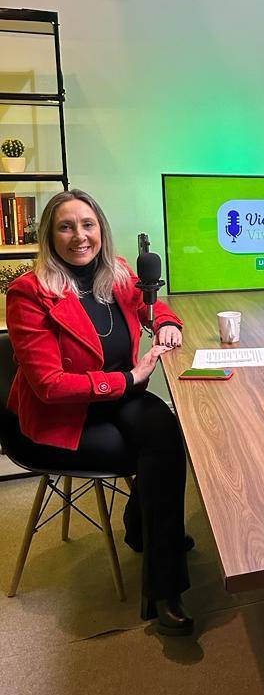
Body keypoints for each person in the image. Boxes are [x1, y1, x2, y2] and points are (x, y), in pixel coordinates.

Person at [6, 189, 194, 636]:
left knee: (169, 433)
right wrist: (128, 379)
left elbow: (149, 305)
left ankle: (156, 559)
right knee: (151, 454)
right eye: (66, 227)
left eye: (87, 225)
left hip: (119, 392)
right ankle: (158, 568)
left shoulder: (118, 272)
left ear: (101, 230)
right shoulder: (28, 292)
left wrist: (166, 323)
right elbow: (50, 386)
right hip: (66, 415)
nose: (79, 236)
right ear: (50, 236)